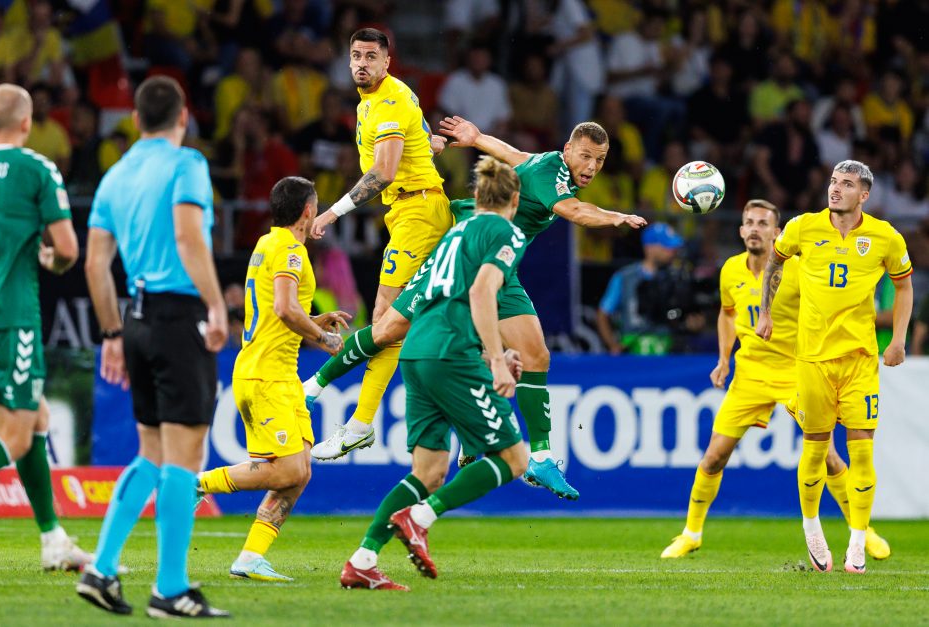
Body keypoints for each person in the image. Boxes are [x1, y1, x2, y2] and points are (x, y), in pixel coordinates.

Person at [305, 119, 646, 499]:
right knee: (388, 329)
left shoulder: (550, 165)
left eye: (599, 160)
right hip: (466, 249)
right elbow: (576, 212)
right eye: (586, 156)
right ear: (568, 151)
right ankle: (314, 386)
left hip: (501, 264)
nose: (592, 166)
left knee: (536, 355)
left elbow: (515, 156)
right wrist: (615, 216)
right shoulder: (553, 174)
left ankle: (541, 457)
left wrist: (478, 138)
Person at [76, 76, 230, 618]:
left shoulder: (117, 174)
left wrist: (112, 333)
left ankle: (101, 568)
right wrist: (215, 306)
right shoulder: (186, 164)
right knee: (186, 457)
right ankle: (171, 588)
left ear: (137, 120)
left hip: (135, 319)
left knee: (152, 453)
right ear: (183, 115)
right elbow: (189, 239)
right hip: (178, 315)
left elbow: (95, 263)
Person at [661, 199, 891, 559]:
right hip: (750, 373)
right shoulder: (731, 270)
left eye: (763, 223)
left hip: (796, 371)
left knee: (829, 456)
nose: (754, 228)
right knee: (713, 457)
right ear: (740, 231)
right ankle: (691, 533)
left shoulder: (800, 269)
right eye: (749, 222)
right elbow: (726, 313)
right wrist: (724, 359)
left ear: (777, 232)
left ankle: (862, 531)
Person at [340, 156, 529, 590]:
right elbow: (482, 291)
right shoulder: (505, 231)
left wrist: (488, 352)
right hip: (449, 353)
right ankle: (419, 518)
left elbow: (446, 298)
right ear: (514, 200)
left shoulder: (454, 231)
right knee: (514, 458)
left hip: (418, 351)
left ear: (476, 196)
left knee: (427, 473)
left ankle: (363, 560)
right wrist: (496, 360)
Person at [757, 160, 913, 575]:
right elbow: (774, 263)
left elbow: (903, 286)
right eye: (832, 181)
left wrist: (897, 340)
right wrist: (765, 313)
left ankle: (858, 543)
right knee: (816, 449)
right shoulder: (802, 227)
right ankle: (812, 531)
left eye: (846, 184)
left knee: (862, 451)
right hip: (812, 359)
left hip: (860, 358)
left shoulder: (884, 237)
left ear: (864, 194)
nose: (835, 189)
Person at [308, 28, 453, 463]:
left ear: (387, 62)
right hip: (414, 211)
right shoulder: (385, 97)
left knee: (386, 322)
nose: (362, 63)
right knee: (406, 324)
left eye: (371, 56)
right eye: (355, 55)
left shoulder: (387, 102)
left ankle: (356, 421)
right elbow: (420, 132)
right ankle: (456, 420)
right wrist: (430, 142)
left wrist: (331, 213)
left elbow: (385, 172)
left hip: (417, 215)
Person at [196, 177, 350, 582]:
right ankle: (198, 484)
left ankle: (250, 557)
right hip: (267, 375)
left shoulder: (267, 244)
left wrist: (314, 321)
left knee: (299, 472)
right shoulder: (290, 250)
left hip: (275, 372)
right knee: (285, 471)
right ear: (308, 211)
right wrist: (324, 337)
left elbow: (276, 313)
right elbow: (284, 308)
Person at [0, 83, 91, 572]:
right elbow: (68, 248)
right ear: (27, 124)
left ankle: (53, 538)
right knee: (13, 433)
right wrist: (50, 259)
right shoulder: (36, 169)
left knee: (38, 420)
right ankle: (53, 539)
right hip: (10, 318)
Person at [596, 223, 685, 355]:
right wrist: (613, 345)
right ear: (650, 248)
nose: (672, 252)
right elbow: (602, 314)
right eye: (667, 246)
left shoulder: (676, 277)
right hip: (633, 351)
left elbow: (682, 317)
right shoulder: (625, 277)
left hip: (667, 350)